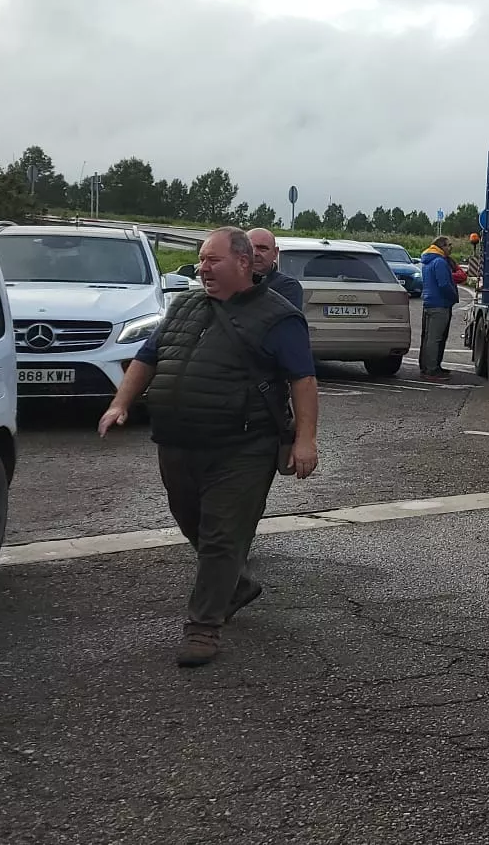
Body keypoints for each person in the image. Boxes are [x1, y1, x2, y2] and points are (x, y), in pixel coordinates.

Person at [98, 227, 319, 667]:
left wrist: (305, 440)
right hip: (178, 440)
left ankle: (203, 627)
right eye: (201, 260)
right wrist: (121, 403)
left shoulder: (278, 317)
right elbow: (147, 357)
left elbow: (303, 380)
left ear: (243, 263)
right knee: (191, 520)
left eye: (212, 260)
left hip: (243, 446)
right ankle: (234, 585)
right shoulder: (185, 306)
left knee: (222, 535)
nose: (202, 269)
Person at [417, 235, 458, 381]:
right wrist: (454, 296)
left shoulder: (428, 261)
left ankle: (426, 366)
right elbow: (444, 284)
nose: (451, 247)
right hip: (440, 304)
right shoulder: (439, 262)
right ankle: (432, 370)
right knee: (435, 339)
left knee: (428, 338)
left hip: (429, 302)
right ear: (442, 247)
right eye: (449, 245)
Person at [248, 227, 304, 310]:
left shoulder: (287, 287)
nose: (255, 253)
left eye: (262, 249)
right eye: (249, 248)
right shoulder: (228, 283)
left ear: (275, 252)